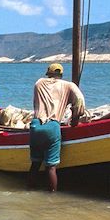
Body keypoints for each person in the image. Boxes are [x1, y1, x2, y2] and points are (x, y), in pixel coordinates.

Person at [28, 63, 84, 192]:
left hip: (36, 125)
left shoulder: (39, 83)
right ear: (61, 74)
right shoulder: (69, 85)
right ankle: (51, 196)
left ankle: (29, 189)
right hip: (52, 127)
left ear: (48, 73)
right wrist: (74, 121)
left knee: (35, 163)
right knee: (51, 167)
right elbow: (80, 103)